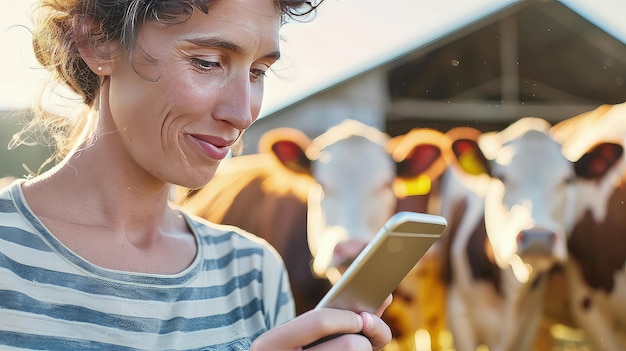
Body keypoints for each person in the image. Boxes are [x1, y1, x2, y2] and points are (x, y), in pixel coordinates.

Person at [0, 0, 392, 350]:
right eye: (207, 62)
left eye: (257, 72)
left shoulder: (254, 272)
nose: (242, 113)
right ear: (97, 41)